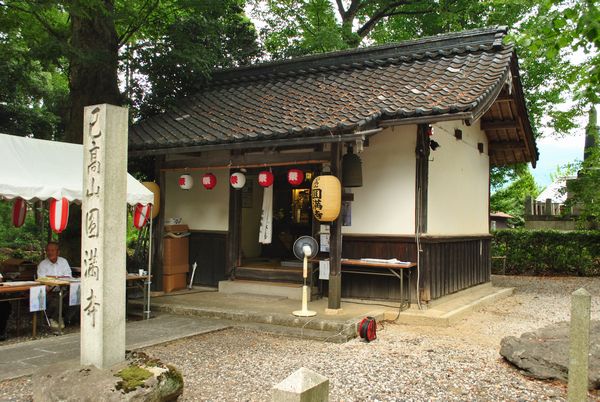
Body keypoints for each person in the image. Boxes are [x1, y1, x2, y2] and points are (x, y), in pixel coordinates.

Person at [37, 242, 75, 329]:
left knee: (76, 297)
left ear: (58, 252)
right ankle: (54, 319)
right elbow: (41, 280)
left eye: (53, 250)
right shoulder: (42, 264)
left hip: (64, 289)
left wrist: (60, 279)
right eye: (48, 250)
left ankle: (66, 319)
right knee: (57, 298)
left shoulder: (63, 261)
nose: (50, 253)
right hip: (50, 291)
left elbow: (69, 276)